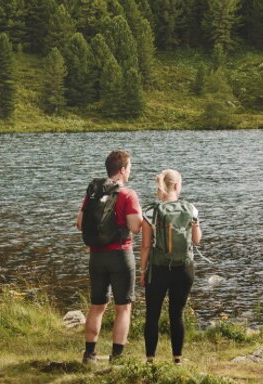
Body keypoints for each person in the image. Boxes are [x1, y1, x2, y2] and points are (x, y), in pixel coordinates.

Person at [76, 149, 143, 364]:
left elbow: (79, 223)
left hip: (96, 256)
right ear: (122, 170)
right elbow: (135, 227)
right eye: (129, 168)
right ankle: (117, 358)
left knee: (97, 306)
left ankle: (89, 355)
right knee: (123, 307)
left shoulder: (93, 192)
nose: (130, 172)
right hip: (120, 254)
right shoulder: (128, 194)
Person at [139, 168, 202, 364]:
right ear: (176, 186)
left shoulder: (150, 210)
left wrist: (142, 270)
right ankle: (177, 359)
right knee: (177, 314)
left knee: (152, 315)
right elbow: (196, 240)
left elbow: (146, 245)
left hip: (158, 269)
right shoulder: (190, 208)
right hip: (184, 269)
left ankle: (150, 359)